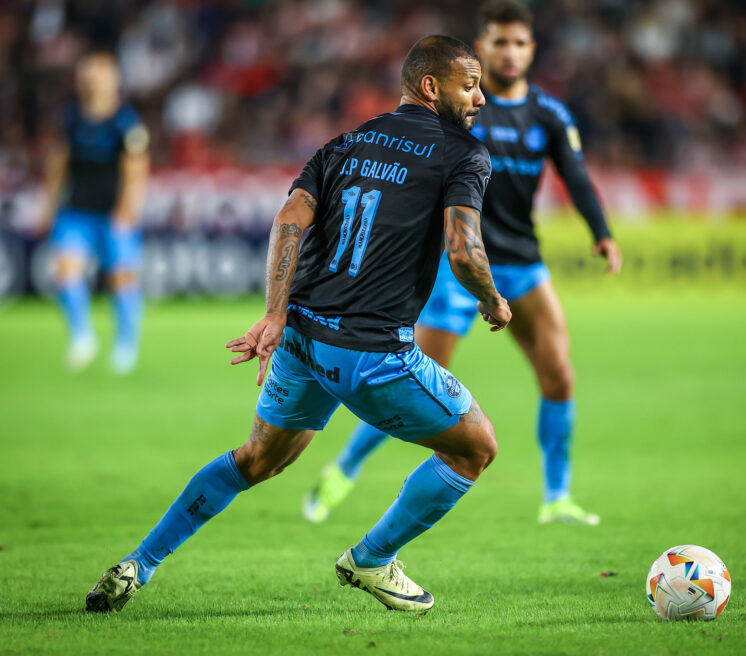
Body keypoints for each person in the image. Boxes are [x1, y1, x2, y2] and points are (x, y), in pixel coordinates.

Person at [85, 35, 510, 614]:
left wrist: (275, 313)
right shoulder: (463, 153)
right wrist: (493, 300)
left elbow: (289, 219)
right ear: (431, 86)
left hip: (303, 341)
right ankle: (372, 559)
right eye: (470, 84)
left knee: (258, 459)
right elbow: (464, 252)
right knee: (475, 448)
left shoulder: (344, 144)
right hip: (372, 353)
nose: (481, 97)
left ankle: (139, 563)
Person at [304, 0, 622, 526]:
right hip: (459, 264)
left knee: (559, 374)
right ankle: (345, 468)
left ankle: (557, 497)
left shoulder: (549, 114)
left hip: (521, 260)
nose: (510, 52)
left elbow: (577, 176)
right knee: (414, 381)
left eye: (520, 43)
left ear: (532, 50)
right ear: (484, 45)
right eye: (499, 42)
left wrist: (603, 233)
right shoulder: (461, 107)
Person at [40, 52, 150, 374]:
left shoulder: (125, 121)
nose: (90, 81)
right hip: (76, 210)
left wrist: (127, 209)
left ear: (112, 80)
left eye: (97, 76)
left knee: (121, 279)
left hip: (113, 213)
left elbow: (136, 169)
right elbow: (58, 164)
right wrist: (48, 205)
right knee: (66, 271)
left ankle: (126, 346)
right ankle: (82, 337)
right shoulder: (71, 116)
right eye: (85, 75)